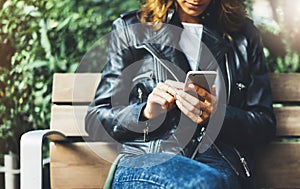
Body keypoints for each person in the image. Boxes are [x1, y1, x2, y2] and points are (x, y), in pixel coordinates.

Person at [85, 0, 276, 188]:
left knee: (209, 181)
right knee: (203, 183)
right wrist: (145, 113)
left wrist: (218, 115)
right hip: (149, 158)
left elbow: (264, 124)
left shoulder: (244, 35)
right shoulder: (131, 29)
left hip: (218, 161)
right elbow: (96, 119)